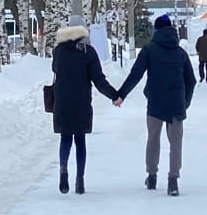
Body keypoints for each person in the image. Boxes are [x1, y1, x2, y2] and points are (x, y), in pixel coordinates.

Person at [114, 14, 196, 196]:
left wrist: (121, 95)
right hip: (176, 104)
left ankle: (151, 176)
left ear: (156, 30)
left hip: (155, 102)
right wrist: (185, 102)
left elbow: (135, 75)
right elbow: (191, 81)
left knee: (153, 139)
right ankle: (173, 180)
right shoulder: (181, 53)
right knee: (176, 142)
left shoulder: (149, 50)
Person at [51, 24, 119, 195]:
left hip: (62, 101)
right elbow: (99, 80)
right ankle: (80, 179)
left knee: (65, 137)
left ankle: (63, 169)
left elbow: (54, 69)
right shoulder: (88, 52)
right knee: (80, 140)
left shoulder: (58, 51)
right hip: (81, 102)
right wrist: (114, 95)